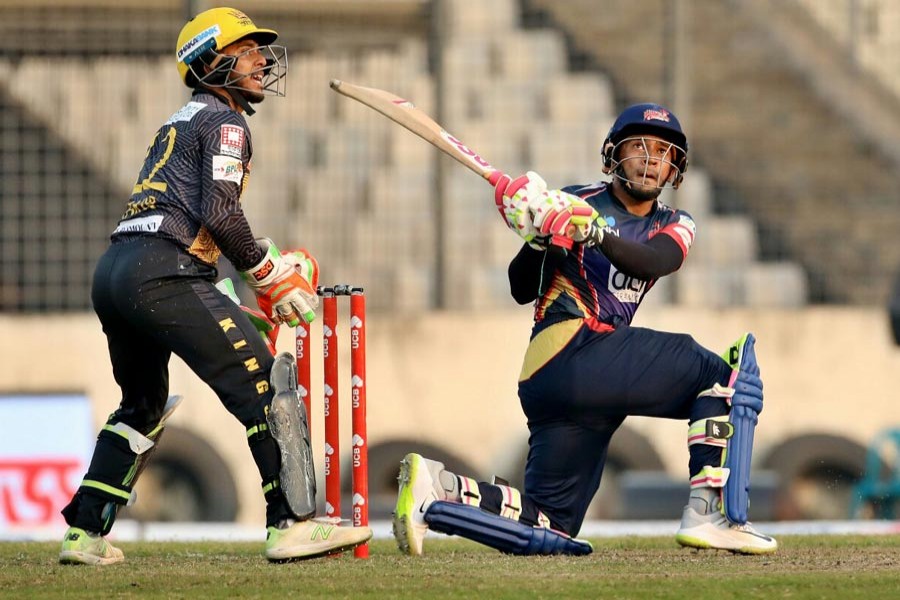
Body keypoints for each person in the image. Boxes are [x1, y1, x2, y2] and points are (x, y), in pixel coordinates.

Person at [58, 7, 372, 565]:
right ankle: (293, 524)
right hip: (162, 270)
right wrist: (267, 273)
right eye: (245, 50)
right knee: (268, 391)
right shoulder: (227, 123)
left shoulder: (180, 120)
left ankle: (84, 534)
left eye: (258, 50)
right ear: (207, 61)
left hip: (117, 270)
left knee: (142, 405)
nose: (259, 60)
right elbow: (220, 213)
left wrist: (223, 291)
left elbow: (186, 220)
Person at [393, 103, 777, 556]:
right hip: (571, 350)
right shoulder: (574, 201)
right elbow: (521, 287)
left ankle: (437, 488)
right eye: (639, 147)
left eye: (662, 151)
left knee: (552, 524)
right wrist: (542, 238)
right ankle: (712, 514)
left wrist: (594, 234)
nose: (651, 160)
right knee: (720, 376)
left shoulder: (674, 223)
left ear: (676, 166)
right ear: (614, 154)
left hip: (572, 375)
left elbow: (656, 261)